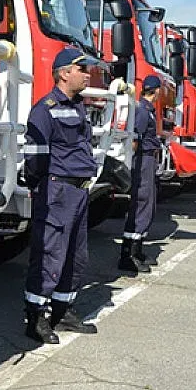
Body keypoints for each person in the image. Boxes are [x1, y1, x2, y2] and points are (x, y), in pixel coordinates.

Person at [22, 47, 99, 344]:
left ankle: (62, 310)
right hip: (57, 189)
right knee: (49, 254)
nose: (87, 74)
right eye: (82, 69)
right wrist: (40, 185)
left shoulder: (79, 106)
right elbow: (36, 154)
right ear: (65, 73)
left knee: (75, 256)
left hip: (78, 191)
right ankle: (35, 316)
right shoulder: (45, 108)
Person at [118, 75, 161, 273]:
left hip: (148, 159)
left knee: (147, 204)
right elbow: (135, 139)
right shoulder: (143, 111)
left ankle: (138, 248)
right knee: (142, 201)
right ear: (157, 90)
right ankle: (129, 254)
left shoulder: (148, 110)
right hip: (143, 160)